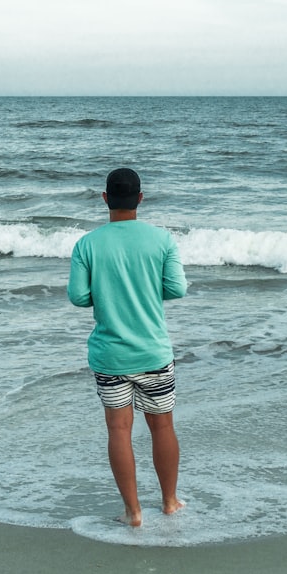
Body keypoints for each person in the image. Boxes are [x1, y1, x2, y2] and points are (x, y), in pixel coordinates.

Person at [67, 168, 188, 527]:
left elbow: (78, 297)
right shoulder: (162, 240)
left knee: (118, 430)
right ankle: (169, 502)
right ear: (140, 198)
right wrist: (147, 291)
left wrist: (106, 293)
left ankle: (133, 512)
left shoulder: (87, 244)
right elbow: (177, 288)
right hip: (152, 353)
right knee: (162, 428)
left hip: (110, 355)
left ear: (105, 199)